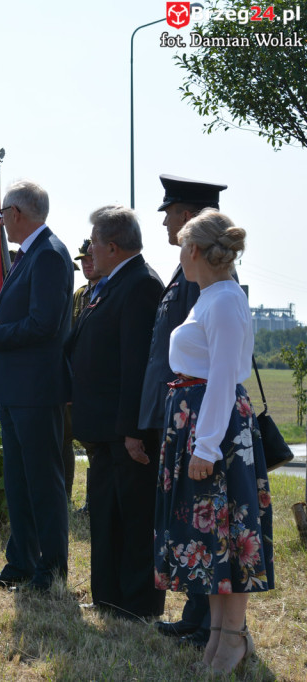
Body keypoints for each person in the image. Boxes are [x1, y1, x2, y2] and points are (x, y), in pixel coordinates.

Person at [153, 210, 273, 674]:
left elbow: (223, 377)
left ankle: (232, 638)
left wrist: (205, 446)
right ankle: (223, 636)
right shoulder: (211, 297)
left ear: (196, 250)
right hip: (202, 420)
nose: (179, 254)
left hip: (214, 427)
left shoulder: (223, 300)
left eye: (183, 245)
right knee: (215, 534)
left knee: (229, 532)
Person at [0, 180, 73, 593]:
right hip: (17, 389)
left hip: (36, 391)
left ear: (16, 213)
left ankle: (51, 570)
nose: (1, 222)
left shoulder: (48, 254)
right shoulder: (32, 253)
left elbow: (44, 325)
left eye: (2, 214)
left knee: (42, 483)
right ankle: (22, 563)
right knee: (20, 483)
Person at [139, 175, 227, 647]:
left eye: (171, 213)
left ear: (190, 217)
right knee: (190, 514)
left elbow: (213, 365)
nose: (166, 223)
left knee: (203, 515)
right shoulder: (187, 275)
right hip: (180, 410)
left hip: (198, 413)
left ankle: (207, 620)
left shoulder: (211, 285)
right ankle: (197, 614)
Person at [66, 206, 164, 619]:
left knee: (134, 517)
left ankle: (138, 604)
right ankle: (108, 597)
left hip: (125, 431)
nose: (88, 250)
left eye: (92, 242)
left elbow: (137, 365)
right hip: (103, 429)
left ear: (112, 246)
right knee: (106, 515)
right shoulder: (112, 283)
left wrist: (133, 430)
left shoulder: (141, 284)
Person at [70, 238, 102, 515]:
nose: (86, 264)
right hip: (76, 379)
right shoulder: (79, 294)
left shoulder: (109, 290)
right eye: (83, 261)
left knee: (96, 446)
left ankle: (96, 501)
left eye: (90, 259)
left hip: (98, 380)